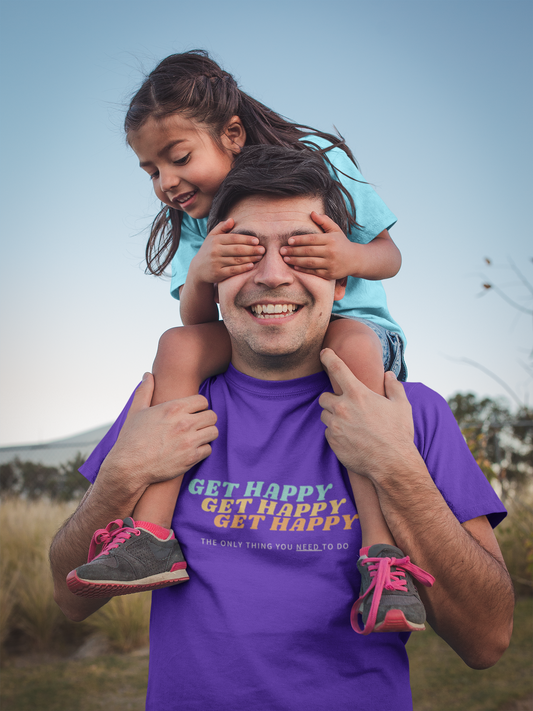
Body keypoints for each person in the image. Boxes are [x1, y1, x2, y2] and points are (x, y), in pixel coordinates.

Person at [50, 146, 514, 711]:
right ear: (213, 277)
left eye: (301, 251)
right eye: (245, 253)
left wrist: (396, 466)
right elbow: (68, 599)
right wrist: (120, 475)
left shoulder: (412, 414)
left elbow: (488, 640)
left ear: (342, 282)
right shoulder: (167, 406)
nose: (272, 276)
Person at [66, 52, 417, 632]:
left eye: (177, 159)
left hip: (354, 332)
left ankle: (382, 561)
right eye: (151, 171)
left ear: (231, 133)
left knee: (351, 340)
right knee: (176, 344)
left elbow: (389, 255)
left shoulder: (316, 166)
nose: (167, 182)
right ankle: (151, 538)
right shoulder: (197, 221)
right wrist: (203, 269)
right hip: (260, 331)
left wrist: (345, 257)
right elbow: (199, 318)